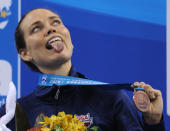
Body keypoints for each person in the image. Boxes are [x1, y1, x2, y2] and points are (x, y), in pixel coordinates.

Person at [0, 8, 165, 131]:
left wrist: (153, 122)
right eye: (36, 28)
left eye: (56, 22)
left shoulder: (112, 99)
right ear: (25, 53)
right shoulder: (13, 115)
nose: (51, 29)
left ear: (70, 40)